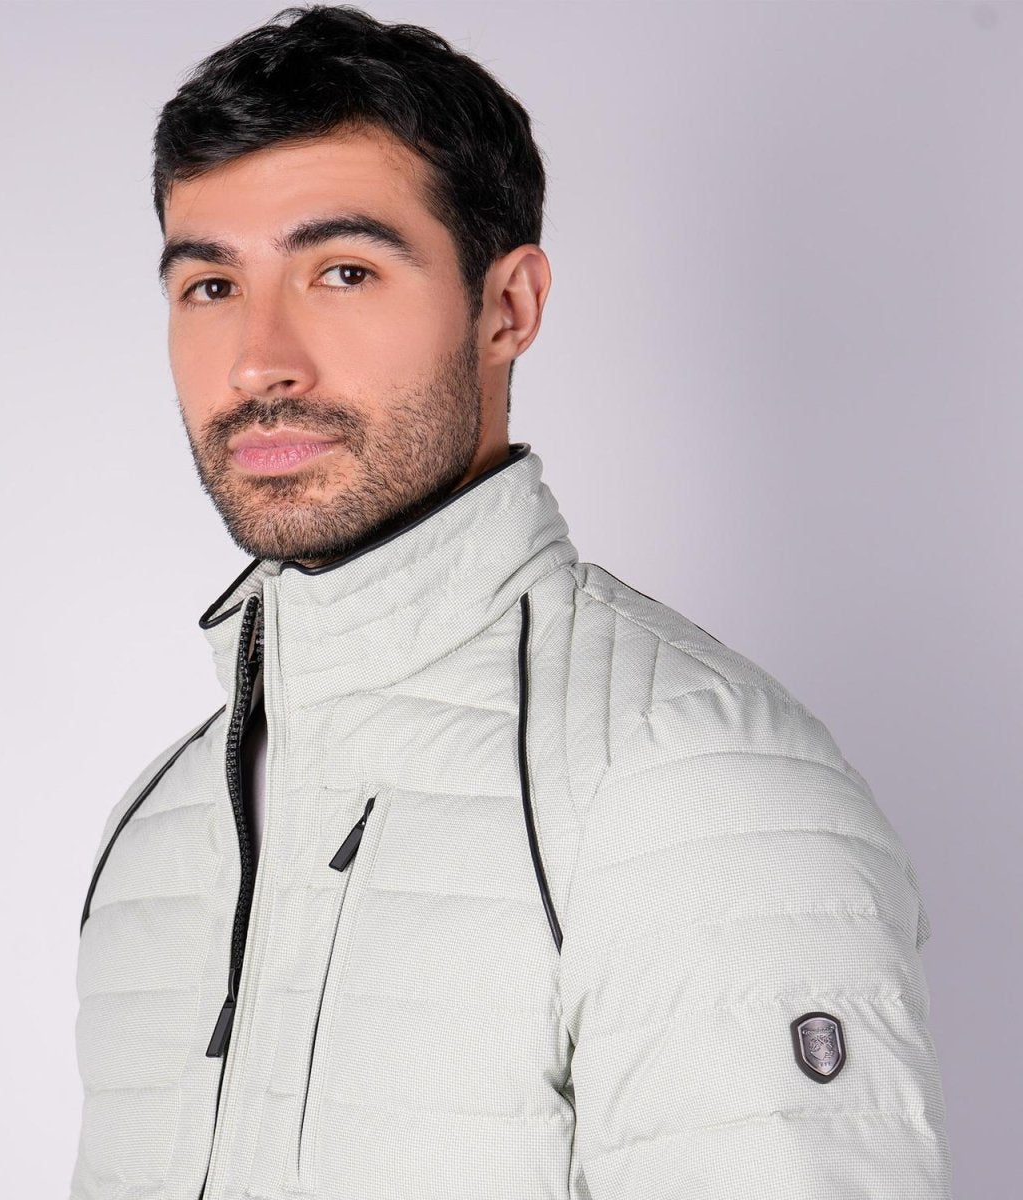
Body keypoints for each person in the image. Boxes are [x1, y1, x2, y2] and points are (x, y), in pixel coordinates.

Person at [69, 6, 953, 1199]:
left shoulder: (687, 786)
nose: (258, 359)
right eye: (211, 284)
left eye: (343, 272)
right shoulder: (162, 830)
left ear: (507, 306)